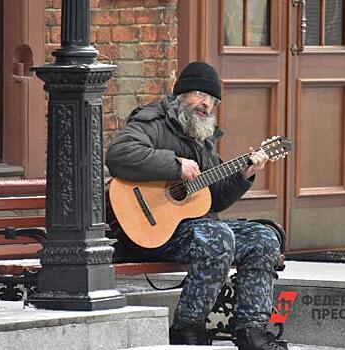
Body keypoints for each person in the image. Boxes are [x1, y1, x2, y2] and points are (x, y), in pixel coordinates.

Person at [105, 61, 288, 350]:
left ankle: (252, 332)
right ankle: (187, 328)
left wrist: (245, 174)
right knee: (218, 237)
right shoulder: (153, 122)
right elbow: (118, 154)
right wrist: (175, 166)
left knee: (263, 238)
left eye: (212, 100)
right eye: (200, 95)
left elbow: (214, 199)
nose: (206, 105)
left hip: (191, 230)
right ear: (182, 93)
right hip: (147, 233)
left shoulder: (202, 137)